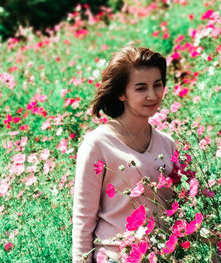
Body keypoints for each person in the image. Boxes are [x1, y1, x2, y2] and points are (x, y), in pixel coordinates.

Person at [72, 46, 176, 262]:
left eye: (158, 85)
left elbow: (179, 209)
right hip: (115, 257)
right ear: (121, 93)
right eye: (141, 88)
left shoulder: (168, 145)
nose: (153, 95)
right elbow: (83, 219)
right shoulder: (97, 144)